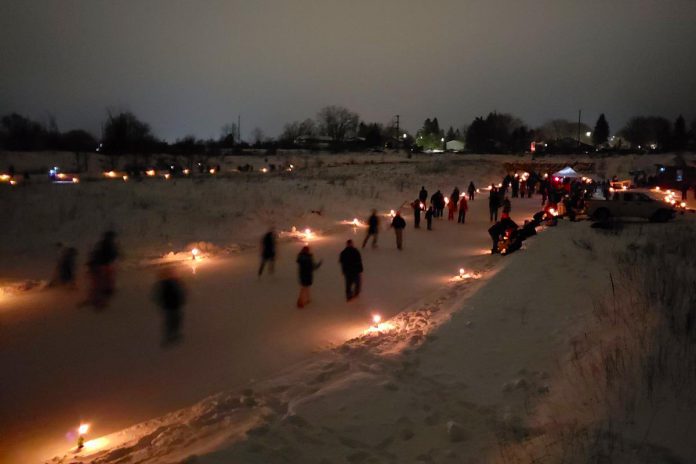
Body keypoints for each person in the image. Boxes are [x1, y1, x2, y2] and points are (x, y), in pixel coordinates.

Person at [86, 231, 119, 309]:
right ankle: (98, 302)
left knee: (103, 283)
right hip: (101, 266)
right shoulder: (106, 245)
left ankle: (99, 298)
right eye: (111, 237)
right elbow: (109, 255)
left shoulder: (105, 245)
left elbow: (111, 255)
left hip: (102, 265)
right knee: (100, 284)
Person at [154, 267, 186, 345]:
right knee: (173, 320)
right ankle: (172, 334)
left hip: (171, 305)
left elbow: (158, 296)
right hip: (172, 305)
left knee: (172, 320)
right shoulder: (170, 283)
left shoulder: (165, 283)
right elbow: (179, 292)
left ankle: (172, 334)